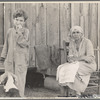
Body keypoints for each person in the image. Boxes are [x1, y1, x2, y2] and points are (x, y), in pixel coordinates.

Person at [56, 26, 96, 97]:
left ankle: (77, 92)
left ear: (81, 34)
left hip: (88, 65)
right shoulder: (72, 43)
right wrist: (72, 59)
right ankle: (64, 92)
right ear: (71, 35)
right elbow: (70, 57)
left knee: (73, 69)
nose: (75, 34)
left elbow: (90, 58)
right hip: (76, 64)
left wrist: (77, 59)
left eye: (78, 32)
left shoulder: (87, 42)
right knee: (61, 68)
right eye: (73, 33)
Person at [0, 9, 29, 97]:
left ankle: (20, 97)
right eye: (16, 20)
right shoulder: (9, 31)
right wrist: (3, 57)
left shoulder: (26, 32)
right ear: (13, 20)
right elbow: (6, 45)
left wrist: (19, 32)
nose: (18, 22)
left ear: (24, 22)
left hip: (21, 63)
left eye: (21, 20)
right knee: (9, 83)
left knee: (19, 83)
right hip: (9, 62)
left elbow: (23, 43)